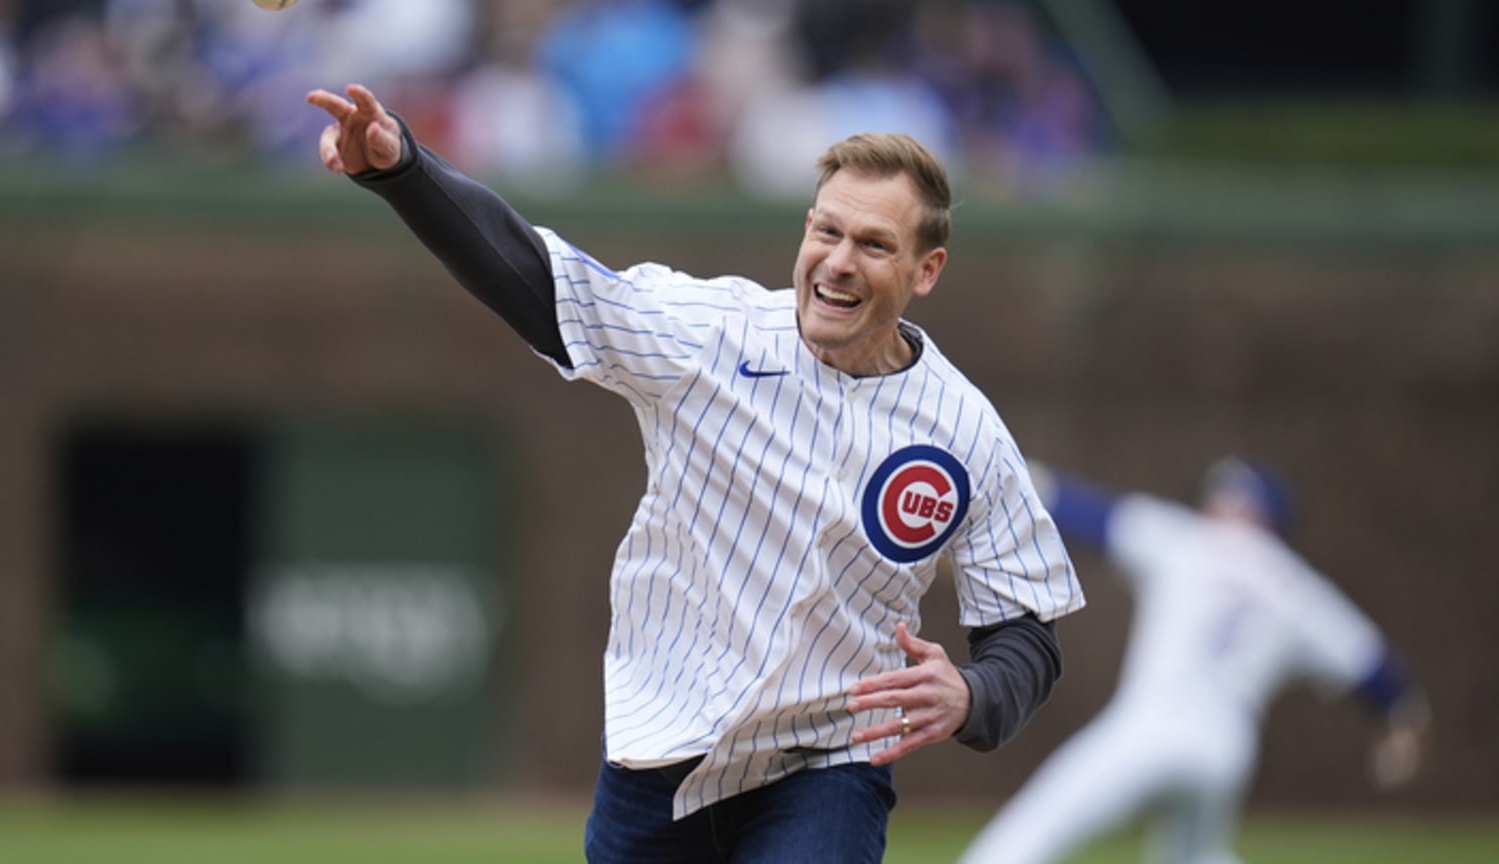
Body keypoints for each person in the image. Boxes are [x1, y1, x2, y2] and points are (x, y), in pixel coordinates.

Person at [306, 83, 1085, 863]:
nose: (839, 262)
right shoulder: (710, 335)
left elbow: (1025, 630)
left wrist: (975, 694)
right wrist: (404, 171)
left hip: (828, 759)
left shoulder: (966, 430)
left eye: (875, 245)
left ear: (927, 270)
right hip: (660, 743)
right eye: (828, 231)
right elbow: (541, 281)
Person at [958, 457, 1432, 864]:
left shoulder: (1187, 540)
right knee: (1193, 857)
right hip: (1226, 747)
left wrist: (990, 498)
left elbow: (1078, 511)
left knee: (1033, 829)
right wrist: (1401, 718)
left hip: (1153, 721)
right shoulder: (1297, 587)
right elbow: (1370, 664)